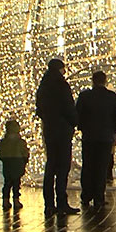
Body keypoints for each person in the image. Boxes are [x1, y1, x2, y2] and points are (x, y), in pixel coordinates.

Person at [35, 58, 79, 217]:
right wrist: (75, 122)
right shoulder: (61, 85)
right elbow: (68, 107)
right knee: (62, 168)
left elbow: (39, 109)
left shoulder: (44, 85)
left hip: (49, 130)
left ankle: (49, 204)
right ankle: (61, 203)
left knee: (50, 166)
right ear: (60, 69)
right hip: (62, 131)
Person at [76, 71, 116, 208]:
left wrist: (83, 127)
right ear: (105, 81)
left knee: (88, 166)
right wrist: (114, 131)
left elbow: (78, 114)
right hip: (105, 137)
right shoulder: (112, 97)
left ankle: (86, 195)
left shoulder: (85, 96)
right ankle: (99, 197)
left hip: (89, 137)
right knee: (101, 167)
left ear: (92, 81)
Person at [0, 119, 29, 210]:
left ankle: (5, 200)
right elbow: (25, 152)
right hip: (17, 162)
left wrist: (3, 159)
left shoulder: (4, 142)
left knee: (7, 182)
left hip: (7, 163)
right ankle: (16, 200)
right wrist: (25, 160)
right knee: (16, 183)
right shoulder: (20, 142)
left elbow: (0, 153)